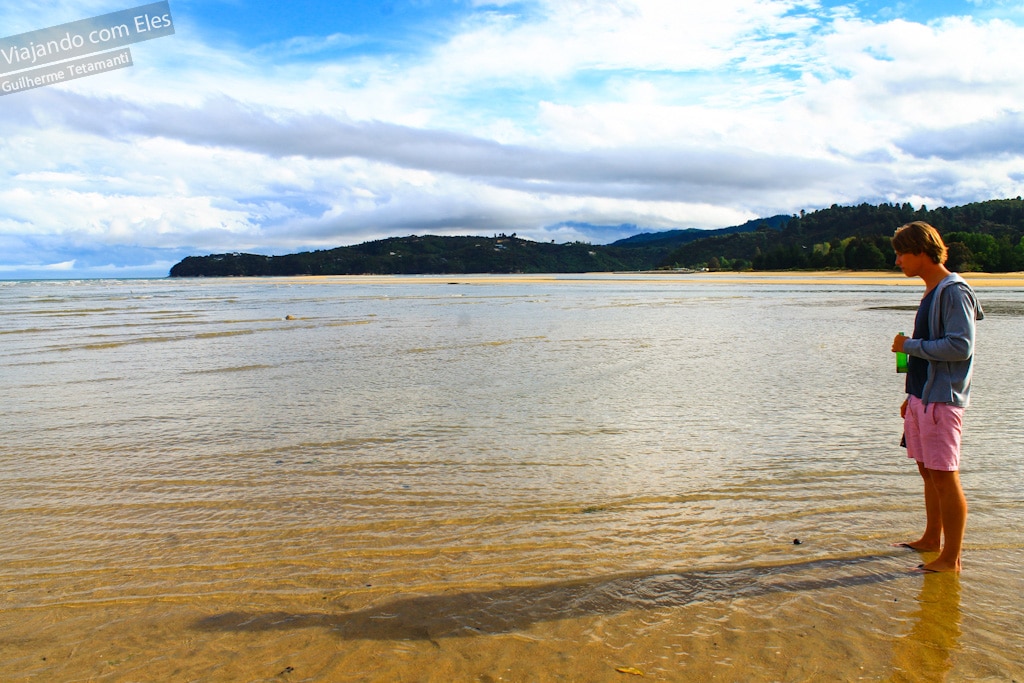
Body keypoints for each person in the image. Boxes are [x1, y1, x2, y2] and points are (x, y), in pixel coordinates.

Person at [890, 221, 983, 573]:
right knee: (928, 473)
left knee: (945, 476)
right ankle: (931, 539)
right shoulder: (933, 291)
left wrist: (908, 346)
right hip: (923, 398)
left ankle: (951, 558)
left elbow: (960, 347)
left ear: (920, 252)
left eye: (901, 253)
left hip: (942, 401)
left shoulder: (953, 291)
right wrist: (911, 395)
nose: (897, 260)